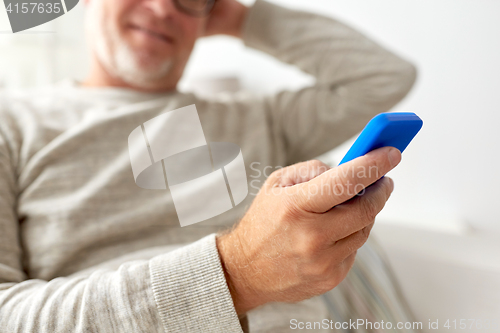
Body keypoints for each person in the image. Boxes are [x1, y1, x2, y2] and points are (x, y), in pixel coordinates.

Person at [0, 0, 418, 332]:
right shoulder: (13, 125)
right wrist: (236, 273)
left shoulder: (259, 120)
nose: (164, 8)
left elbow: (386, 77)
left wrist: (241, 18)